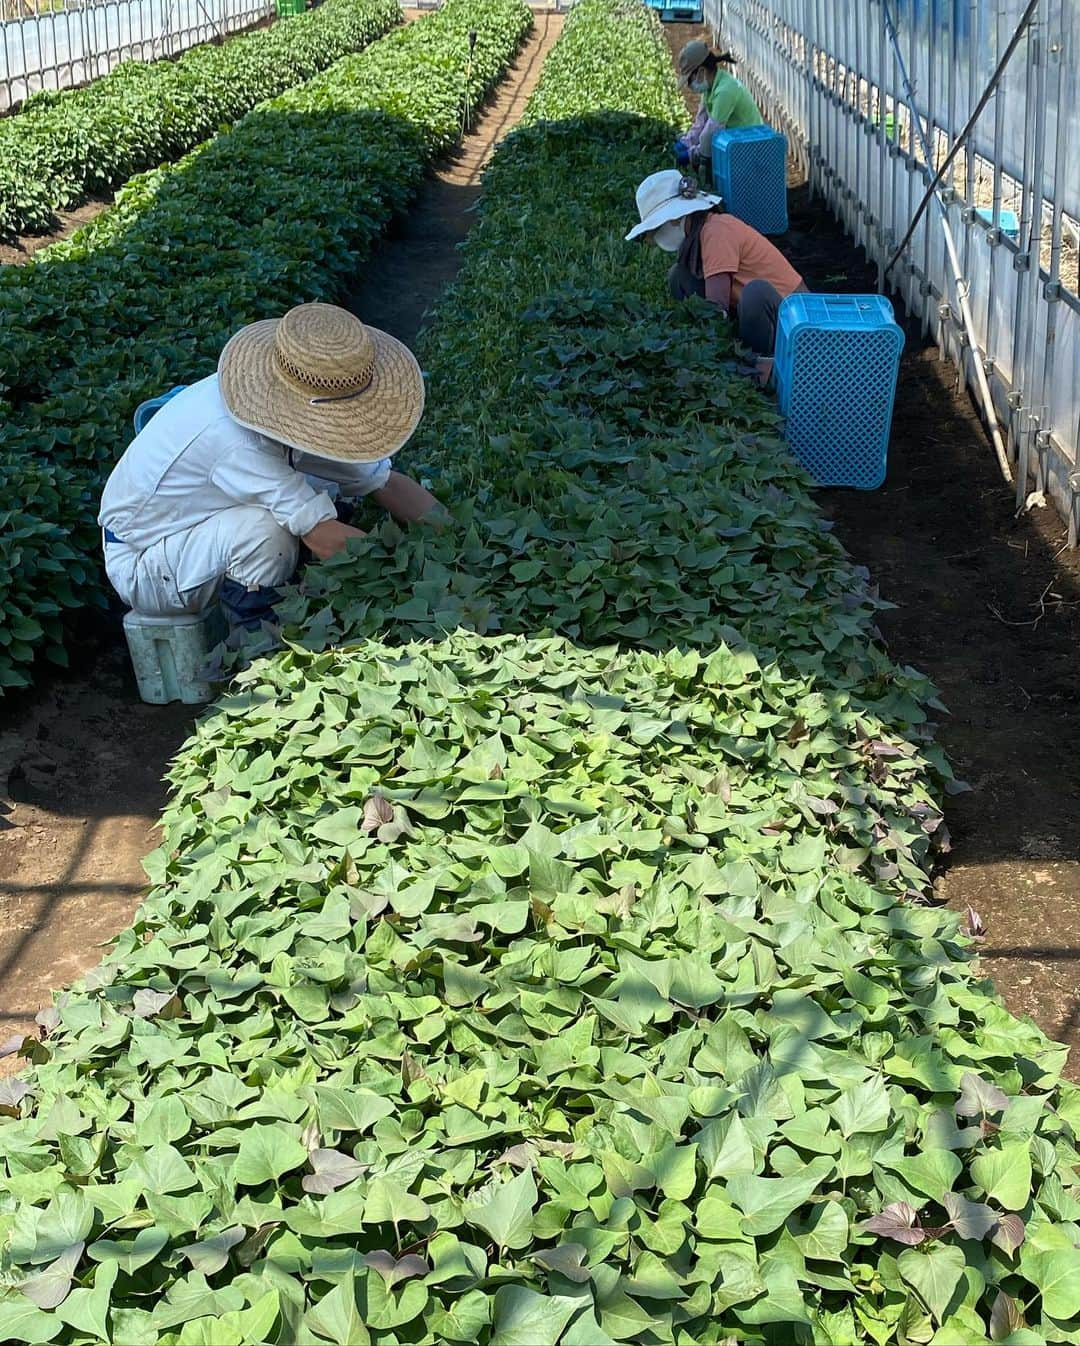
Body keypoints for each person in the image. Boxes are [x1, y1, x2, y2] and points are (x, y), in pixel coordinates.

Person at [99, 302, 443, 629]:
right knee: (266, 533)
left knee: (327, 486)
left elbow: (383, 481)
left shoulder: (283, 403)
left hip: (200, 519)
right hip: (146, 558)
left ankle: (287, 584)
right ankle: (258, 639)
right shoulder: (235, 438)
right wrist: (418, 576)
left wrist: (451, 535)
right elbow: (324, 538)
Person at [626, 170, 807, 383]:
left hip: (795, 323)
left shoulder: (716, 232)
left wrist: (698, 353)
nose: (653, 238)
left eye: (655, 229)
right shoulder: (701, 233)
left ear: (674, 219)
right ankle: (740, 352)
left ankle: (762, 366)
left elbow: (716, 306)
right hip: (764, 314)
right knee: (679, 276)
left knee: (755, 293)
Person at [675, 41, 763, 170]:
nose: (689, 85)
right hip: (734, 143)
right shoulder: (711, 87)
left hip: (750, 149)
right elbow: (701, 121)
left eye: (690, 80)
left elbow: (710, 134)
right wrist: (687, 142)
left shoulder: (725, 91)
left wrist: (691, 155)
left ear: (701, 72)